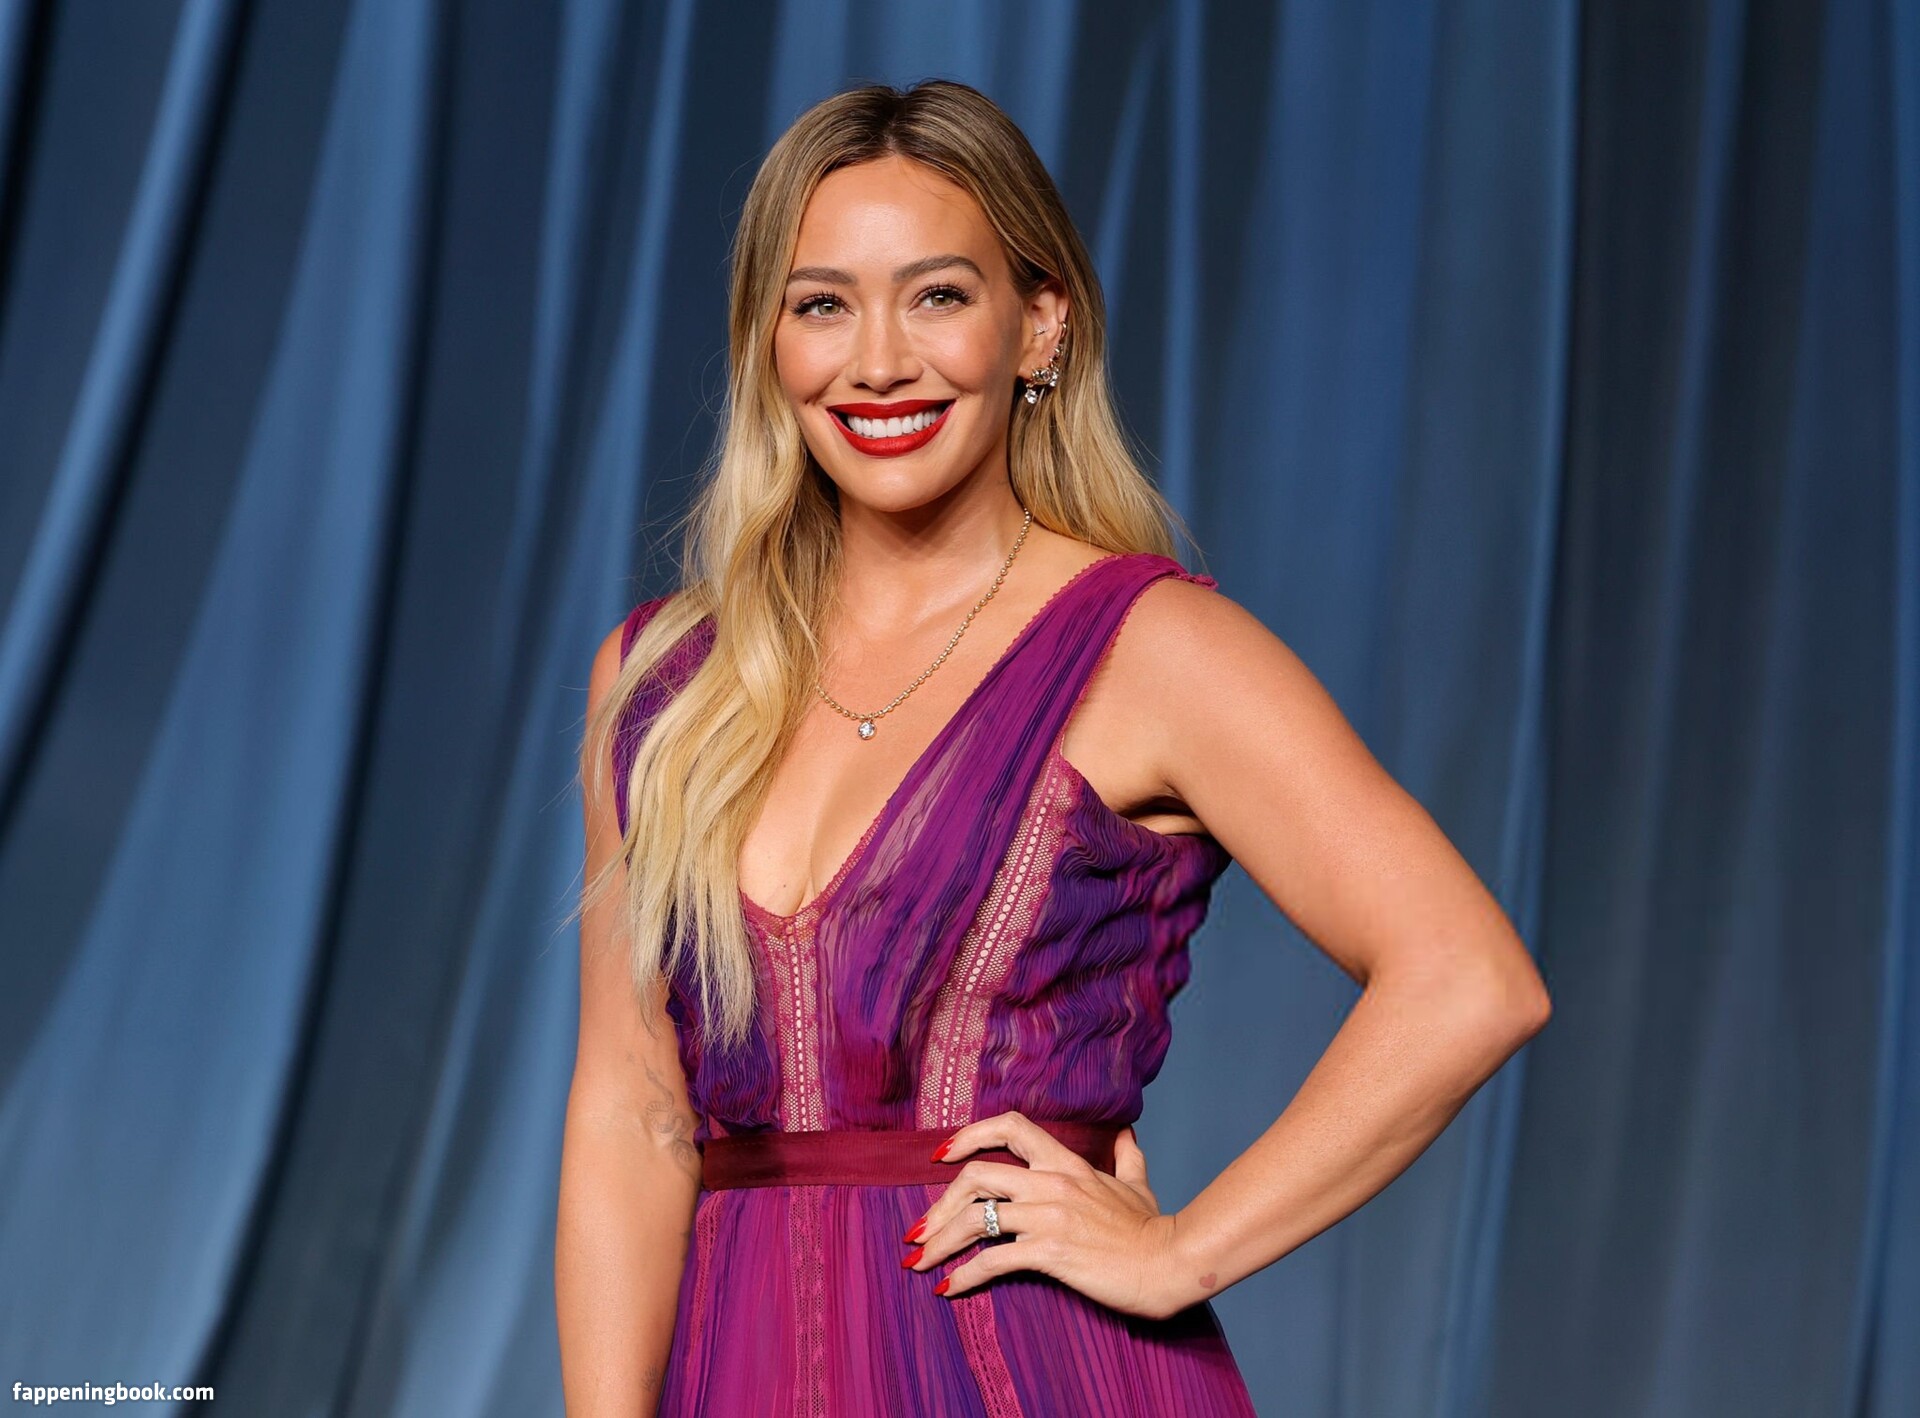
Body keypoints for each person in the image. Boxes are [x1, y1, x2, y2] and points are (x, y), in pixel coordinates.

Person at [555, 78, 1550, 1417]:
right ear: (767, 344)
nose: (879, 362)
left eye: (938, 295)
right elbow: (632, 1111)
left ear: (1041, 323)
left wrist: (1180, 1251)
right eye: (823, 304)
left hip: (1040, 1376)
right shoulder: (663, 683)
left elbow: (1469, 978)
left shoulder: (1153, 650)